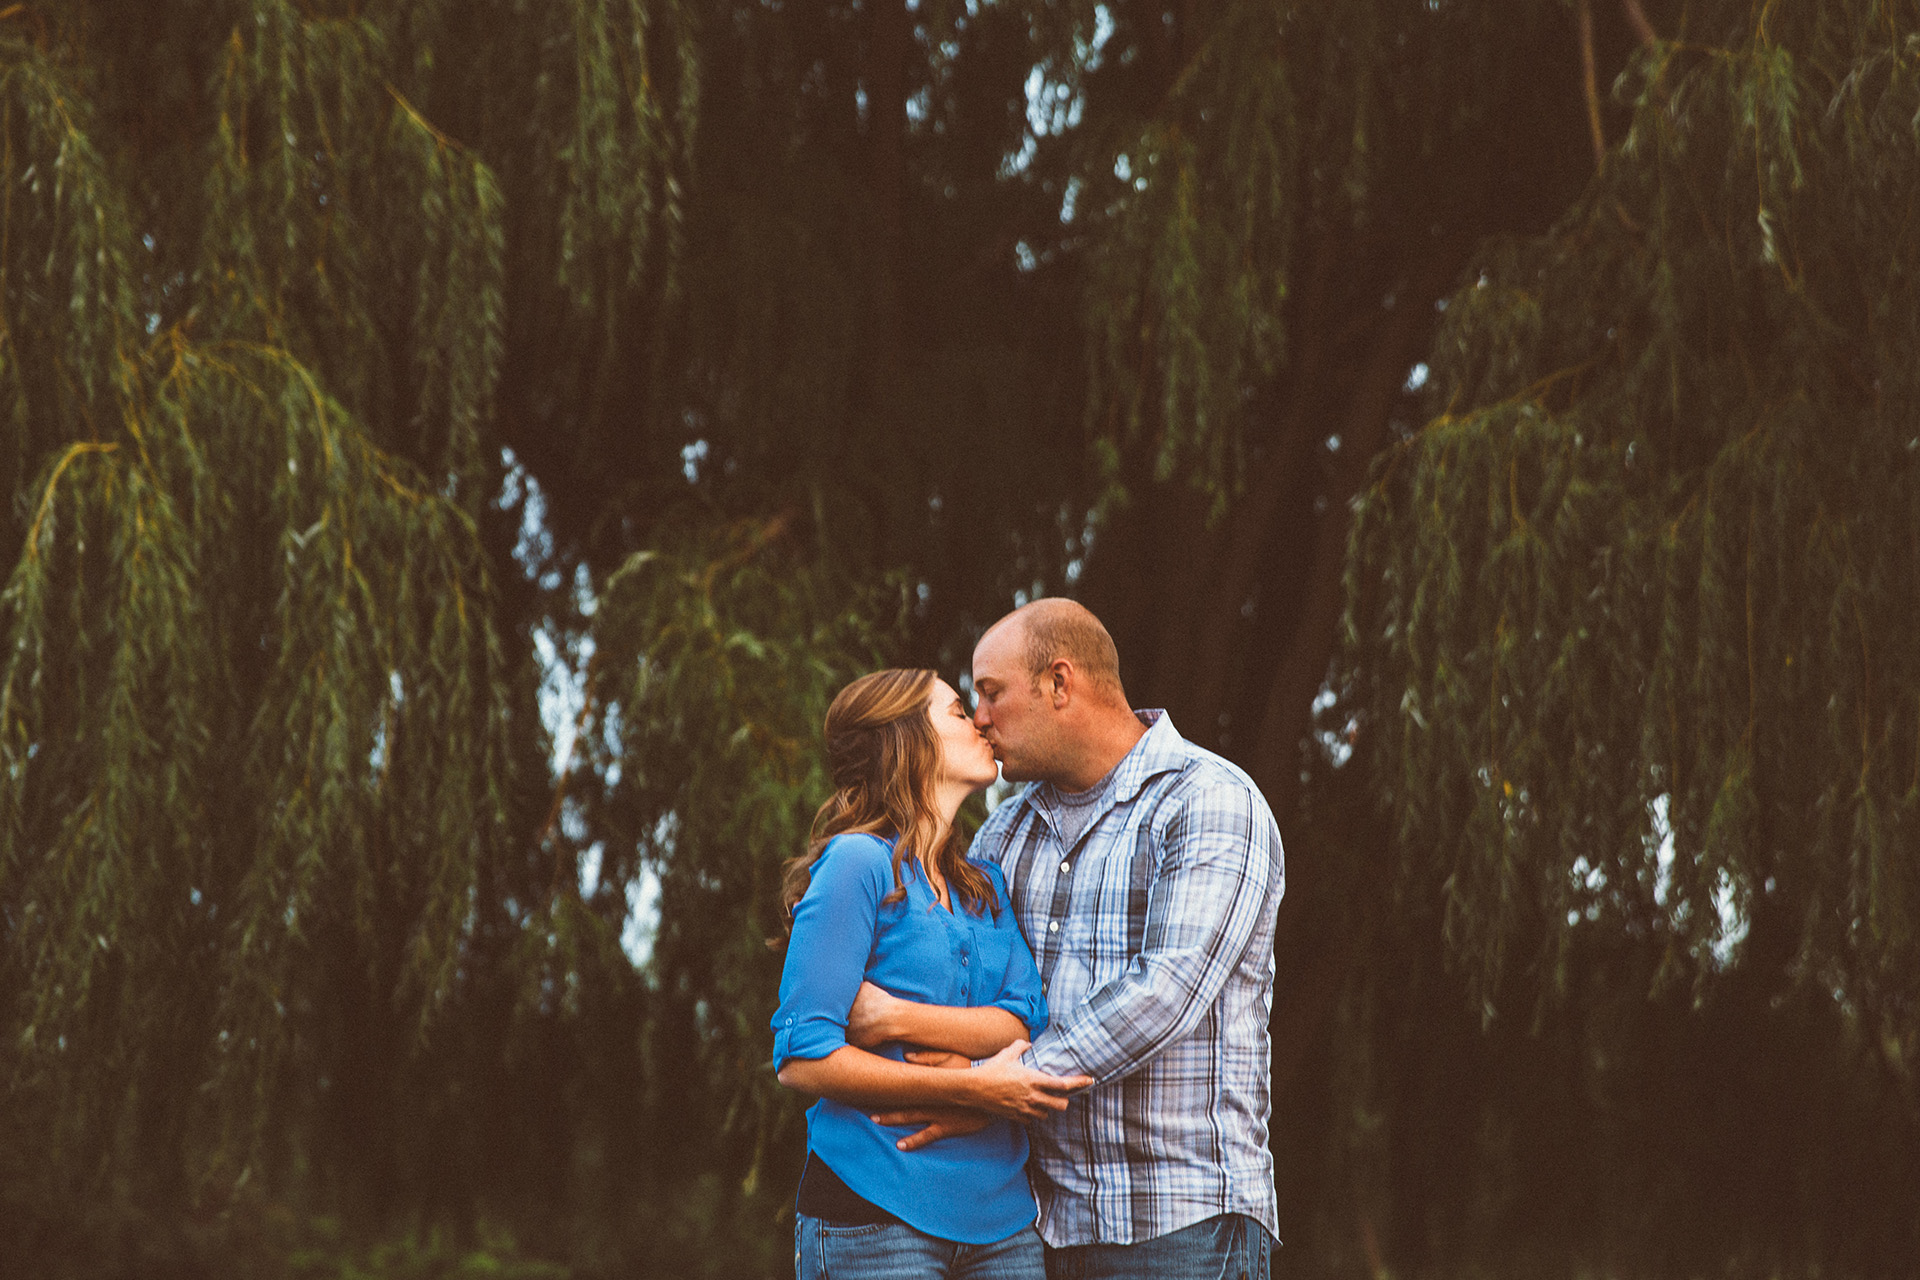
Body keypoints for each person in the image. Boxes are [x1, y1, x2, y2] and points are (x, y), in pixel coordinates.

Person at [853, 600, 1286, 1280]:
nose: (981, 719)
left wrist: (991, 1087)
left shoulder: (1209, 800)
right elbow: (987, 999)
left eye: (993, 693)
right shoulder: (1004, 835)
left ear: (1060, 683)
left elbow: (1164, 993)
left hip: (1178, 1224)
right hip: (1037, 1228)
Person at [771, 667, 1094, 1280]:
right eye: (954, 711)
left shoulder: (985, 886)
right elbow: (804, 1058)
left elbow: (1024, 1024)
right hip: (875, 1211)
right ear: (907, 740)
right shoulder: (857, 865)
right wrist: (973, 1088)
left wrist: (895, 1018)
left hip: (1005, 1225)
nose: (978, 720)